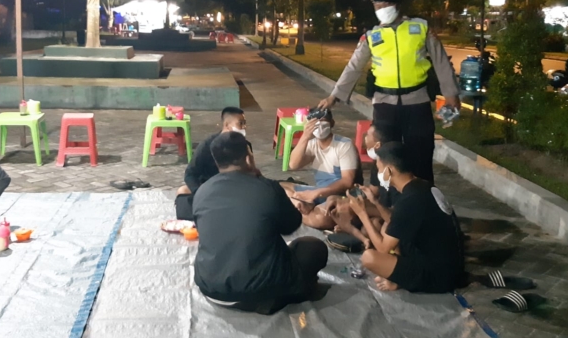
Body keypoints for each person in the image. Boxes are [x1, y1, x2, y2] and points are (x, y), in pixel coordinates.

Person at [318, 0, 460, 185]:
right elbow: (354, 67)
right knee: (383, 153)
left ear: (398, 6)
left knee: (421, 153)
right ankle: (383, 202)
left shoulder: (420, 28)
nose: (381, 8)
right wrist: (334, 95)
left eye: (386, 4)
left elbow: (441, 61)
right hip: (384, 104)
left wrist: (451, 94)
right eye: (377, 5)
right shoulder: (372, 36)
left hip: (417, 102)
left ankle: (423, 200)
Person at [193, 132, 328, 315]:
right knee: (314, 248)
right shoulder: (267, 188)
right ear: (249, 158)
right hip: (258, 291)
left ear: (217, 162)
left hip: (210, 288)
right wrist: (261, 181)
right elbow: (291, 225)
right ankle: (285, 294)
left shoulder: (202, 191)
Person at [351, 142, 464, 293]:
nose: (378, 175)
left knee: (369, 258)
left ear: (389, 170)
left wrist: (362, 213)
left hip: (438, 277)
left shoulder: (411, 200)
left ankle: (399, 280)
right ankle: (398, 274)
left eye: (379, 170)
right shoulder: (421, 186)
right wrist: (375, 202)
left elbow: (384, 249)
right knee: (387, 228)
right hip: (446, 263)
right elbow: (396, 221)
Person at [175, 107, 251, 219]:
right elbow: (190, 174)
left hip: (233, 189)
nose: (244, 127)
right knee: (182, 191)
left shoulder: (245, 145)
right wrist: (200, 194)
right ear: (227, 125)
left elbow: (250, 173)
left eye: (245, 123)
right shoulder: (207, 145)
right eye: (241, 123)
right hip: (208, 189)